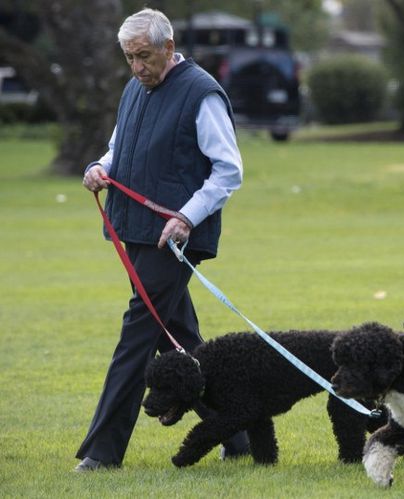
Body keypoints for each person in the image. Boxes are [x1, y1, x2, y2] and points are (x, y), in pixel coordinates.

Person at [75, 8, 249, 471]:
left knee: (137, 335)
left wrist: (187, 218)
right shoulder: (134, 89)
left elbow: (229, 170)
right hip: (134, 231)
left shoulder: (201, 93)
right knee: (181, 340)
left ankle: (101, 451)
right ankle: (236, 435)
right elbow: (121, 148)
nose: (136, 66)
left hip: (173, 238)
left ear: (169, 48)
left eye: (144, 56)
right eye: (129, 57)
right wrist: (100, 168)